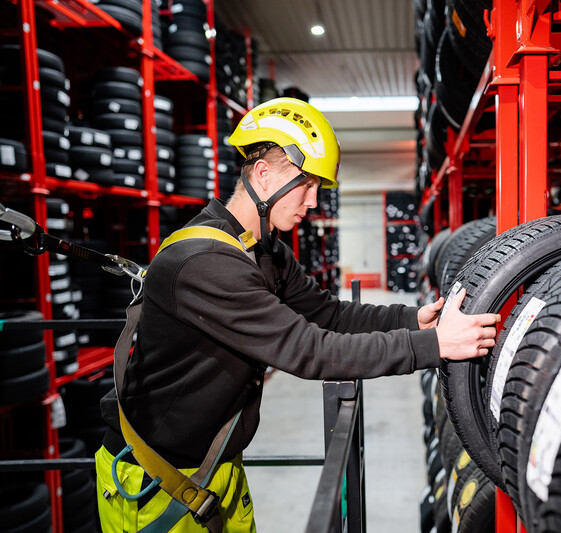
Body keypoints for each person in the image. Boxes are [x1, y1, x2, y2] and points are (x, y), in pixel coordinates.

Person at [95, 97, 500, 532]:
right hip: (156, 482)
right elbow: (308, 351)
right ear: (263, 174)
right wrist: (433, 346)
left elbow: (328, 314)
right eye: (305, 184)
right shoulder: (205, 263)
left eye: (319, 188)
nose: (313, 201)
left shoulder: (263, 250)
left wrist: (412, 320)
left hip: (216, 465)